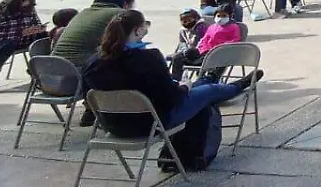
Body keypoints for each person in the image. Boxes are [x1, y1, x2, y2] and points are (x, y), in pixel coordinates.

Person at [81, 10, 262, 135]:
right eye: (145, 25)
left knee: (199, 86)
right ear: (138, 30)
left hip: (112, 125)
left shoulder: (93, 63)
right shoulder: (148, 58)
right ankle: (237, 86)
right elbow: (171, 98)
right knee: (209, 92)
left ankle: (208, 78)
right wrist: (184, 87)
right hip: (153, 122)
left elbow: (88, 98)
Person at [0, 0, 47, 93]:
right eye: (23, 7)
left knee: (44, 38)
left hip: (19, 40)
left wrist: (39, 29)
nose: (25, 10)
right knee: (8, 44)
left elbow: (36, 24)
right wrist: (21, 33)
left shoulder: (30, 11)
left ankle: (36, 70)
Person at [168, 8, 209, 79]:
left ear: (196, 18)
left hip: (200, 53)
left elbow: (205, 42)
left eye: (189, 20)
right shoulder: (182, 30)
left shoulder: (202, 27)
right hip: (187, 52)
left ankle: (176, 79)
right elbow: (182, 42)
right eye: (184, 21)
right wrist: (185, 50)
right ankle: (176, 78)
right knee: (175, 57)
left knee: (177, 58)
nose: (187, 23)